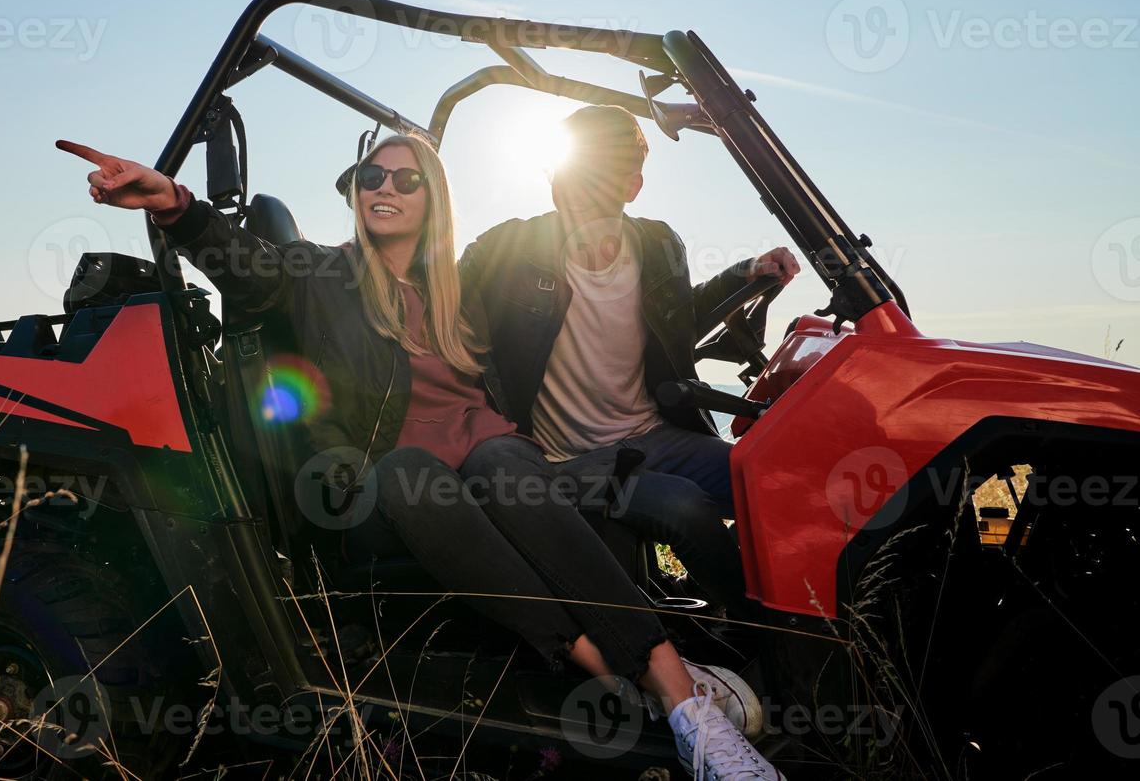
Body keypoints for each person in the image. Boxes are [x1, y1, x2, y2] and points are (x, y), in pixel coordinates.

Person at [57, 132, 788, 779]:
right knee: (416, 474)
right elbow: (247, 266)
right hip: (381, 482)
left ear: (433, 199)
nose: (384, 188)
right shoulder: (323, 276)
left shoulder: (462, 291)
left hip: (489, 459)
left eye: (407, 179)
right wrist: (175, 203)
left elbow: (590, 276)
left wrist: (726, 269)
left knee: (506, 463)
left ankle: (686, 709)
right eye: (370, 176)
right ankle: (632, 674)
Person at [458, 104, 800, 621]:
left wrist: (745, 273)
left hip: (655, 434)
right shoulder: (505, 249)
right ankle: (766, 635)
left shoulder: (658, 243)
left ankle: (828, 613)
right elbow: (439, 313)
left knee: (775, 485)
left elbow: (679, 321)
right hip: (564, 460)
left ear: (631, 185)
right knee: (686, 509)